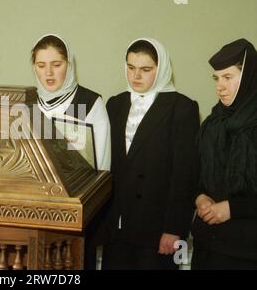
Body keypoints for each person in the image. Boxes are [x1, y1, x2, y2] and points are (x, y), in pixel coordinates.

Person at [102, 38, 199, 270]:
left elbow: (185, 175)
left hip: (157, 230)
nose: (136, 76)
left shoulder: (182, 107)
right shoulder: (115, 104)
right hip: (117, 227)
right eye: (131, 67)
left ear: (161, 68)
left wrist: (174, 229)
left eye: (146, 69)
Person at [31, 34, 111, 269]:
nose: (49, 73)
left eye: (57, 65)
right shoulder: (26, 104)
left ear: (70, 64)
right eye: (41, 65)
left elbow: (102, 171)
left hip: (75, 219)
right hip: (31, 218)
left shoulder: (90, 103)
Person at [192, 38, 257, 270]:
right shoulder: (212, 123)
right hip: (208, 246)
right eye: (216, 78)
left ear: (249, 75)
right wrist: (200, 197)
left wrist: (232, 208)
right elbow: (196, 176)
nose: (219, 86)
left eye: (228, 77)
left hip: (247, 252)